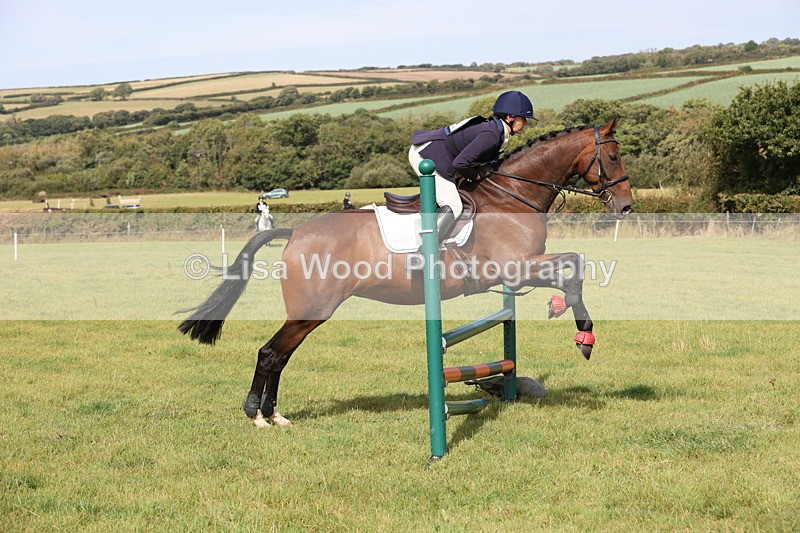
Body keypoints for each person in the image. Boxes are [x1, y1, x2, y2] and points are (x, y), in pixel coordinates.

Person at [408, 90, 537, 244]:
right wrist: (475, 175)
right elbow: (460, 163)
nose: (526, 123)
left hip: (438, 155)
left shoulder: (495, 130)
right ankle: (424, 250)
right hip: (426, 155)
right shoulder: (491, 134)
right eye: (524, 118)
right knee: (454, 206)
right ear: (510, 118)